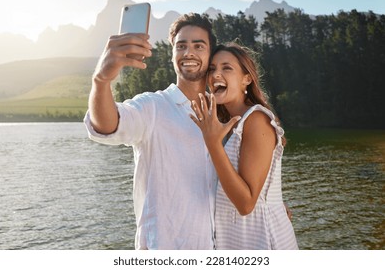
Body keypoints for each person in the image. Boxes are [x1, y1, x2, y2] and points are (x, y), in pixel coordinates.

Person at [83, 13, 218, 249]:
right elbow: (108, 124)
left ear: (210, 54)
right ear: (172, 54)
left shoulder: (222, 113)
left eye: (199, 46)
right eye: (181, 46)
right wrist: (101, 81)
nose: (189, 53)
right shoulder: (152, 107)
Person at [190, 42, 298, 249]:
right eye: (211, 69)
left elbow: (246, 204)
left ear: (246, 79)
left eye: (226, 68)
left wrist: (213, 143)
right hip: (237, 240)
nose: (215, 75)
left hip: (262, 240)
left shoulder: (256, 120)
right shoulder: (226, 125)